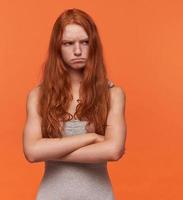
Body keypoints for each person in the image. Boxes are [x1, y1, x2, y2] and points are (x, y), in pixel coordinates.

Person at [22, 8, 126, 200]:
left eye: (85, 42)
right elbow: (31, 153)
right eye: (68, 43)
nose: (77, 50)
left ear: (93, 45)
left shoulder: (113, 95)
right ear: (57, 47)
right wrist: (92, 137)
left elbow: (113, 150)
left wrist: (49, 149)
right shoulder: (38, 96)